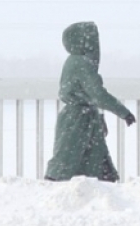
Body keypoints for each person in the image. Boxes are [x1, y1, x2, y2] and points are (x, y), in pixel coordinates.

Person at [45, 21, 135, 182]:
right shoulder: (81, 63)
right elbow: (98, 95)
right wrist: (124, 112)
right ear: (83, 41)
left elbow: (91, 96)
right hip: (78, 120)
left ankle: (105, 188)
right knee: (66, 159)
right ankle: (52, 189)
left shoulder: (74, 61)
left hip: (83, 117)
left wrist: (98, 117)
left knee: (95, 157)